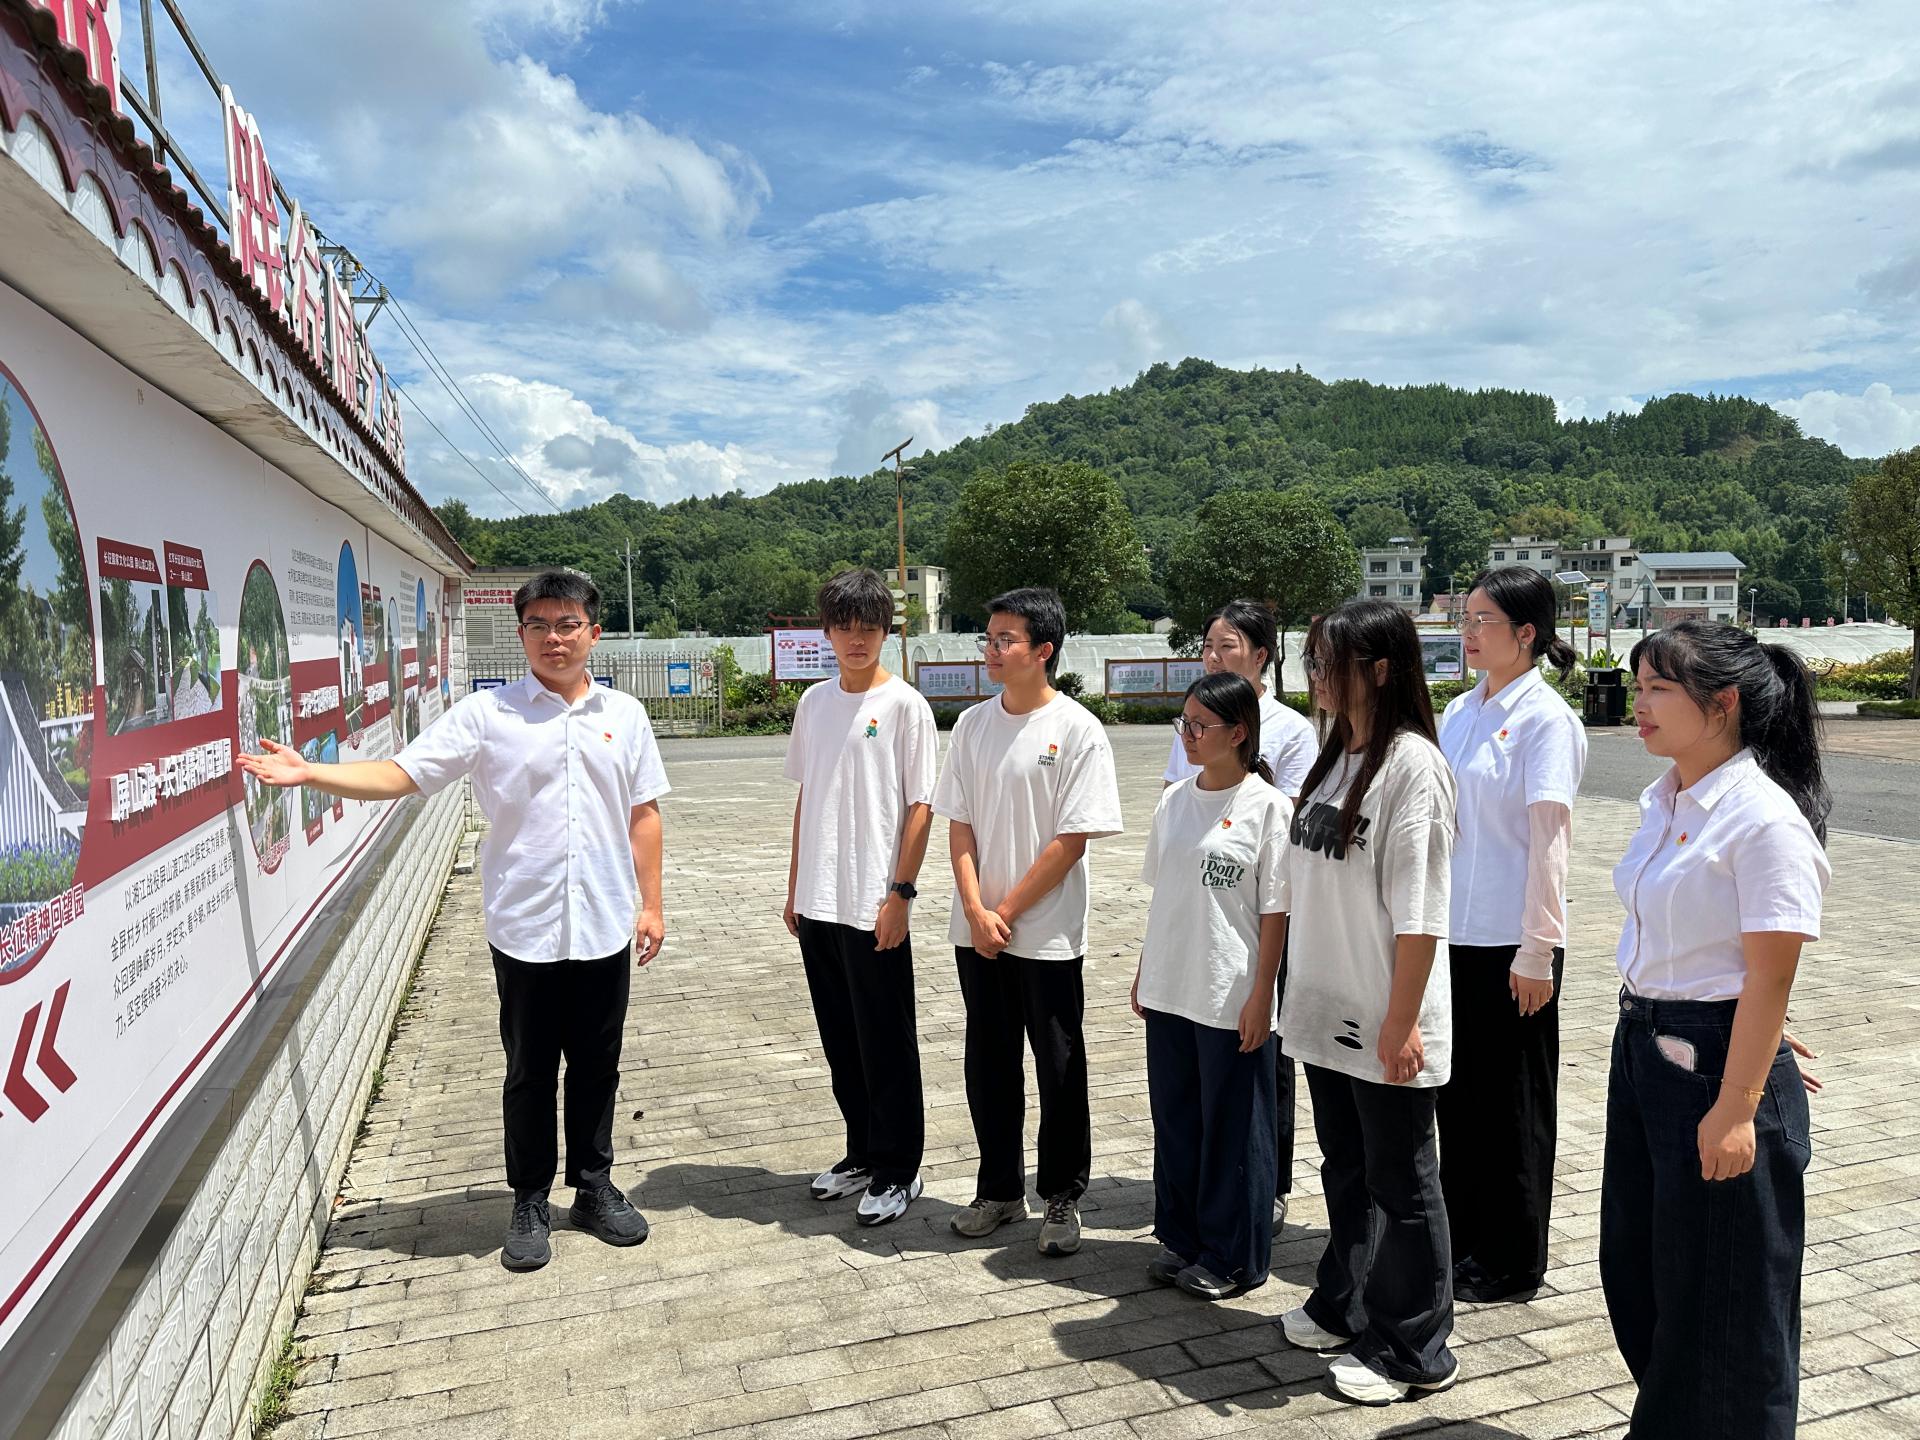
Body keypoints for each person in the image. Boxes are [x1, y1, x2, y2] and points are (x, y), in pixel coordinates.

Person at [239, 571, 667, 1274]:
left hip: (603, 922)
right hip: (524, 927)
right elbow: (402, 774)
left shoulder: (625, 714)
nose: (554, 638)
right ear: (521, 633)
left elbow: (643, 813)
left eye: (568, 624)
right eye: (539, 625)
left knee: (598, 1065)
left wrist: (650, 905)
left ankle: (594, 1186)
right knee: (530, 1070)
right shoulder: (488, 714)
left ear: (594, 632)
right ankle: (530, 1198)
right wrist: (311, 773)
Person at [1600, 620, 1830, 1438]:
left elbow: (1771, 972)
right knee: (1640, 1271)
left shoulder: (1762, 819)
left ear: (1723, 702)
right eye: (1639, 686)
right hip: (1647, 1048)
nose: (1639, 704)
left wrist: (1738, 1099)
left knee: (1727, 1302)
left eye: (1659, 688)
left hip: (1710, 1071)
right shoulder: (1666, 801)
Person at [1272, 598, 1460, 1407]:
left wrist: (1403, 1021)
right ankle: (1345, 1300)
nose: (1316, 675)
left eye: (1329, 662)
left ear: (1380, 670)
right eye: (1311, 660)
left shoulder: (1412, 767)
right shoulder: (1335, 758)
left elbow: (1421, 914)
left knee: (1402, 1181)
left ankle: (1415, 1346)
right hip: (1325, 1009)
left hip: (1386, 1015)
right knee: (1347, 1167)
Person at [933, 587, 1124, 1256]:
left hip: (1046, 935)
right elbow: (958, 826)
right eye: (988, 638)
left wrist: (1005, 912)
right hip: (978, 934)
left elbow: (1071, 841)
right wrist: (974, 911)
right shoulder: (972, 726)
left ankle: (1062, 1197)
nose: (991, 649)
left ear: (1043, 650)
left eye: (1004, 639)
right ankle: (998, 1190)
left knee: (1058, 1066)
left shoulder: (1076, 729)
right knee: (989, 1064)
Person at [1434, 567, 1587, 1304]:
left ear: (1526, 633)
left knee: (1513, 1107)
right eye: (1464, 619)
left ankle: (1513, 1259)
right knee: (1459, 1101)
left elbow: (1549, 843)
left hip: (1512, 942)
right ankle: (1463, 1239)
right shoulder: (1460, 711)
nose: (1468, 632)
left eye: (1482, 620)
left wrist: (1538, 948)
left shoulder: (1546, 720)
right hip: (1452, 937)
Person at [783, 568, 938, 1226]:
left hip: (874, 902)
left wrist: (900, 894)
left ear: (886, 632)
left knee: (886, 1039)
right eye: (844, 627)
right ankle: (863, 1153)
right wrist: (795, 885)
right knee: (841, 1037)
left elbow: (921, 807)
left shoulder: (905, 706)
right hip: (818, 901)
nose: (856, 639)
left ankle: (900, 1169)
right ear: (827, 632)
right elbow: (806, 793)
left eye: (869, 628)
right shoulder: (814, 703)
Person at [1131, 672, 1291, 1300]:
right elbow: (1165, 896)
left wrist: (1262, 993)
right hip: (1172, 984)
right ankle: (1182, 1238)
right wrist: (1145, 969)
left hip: (1231, 991)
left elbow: (1275, 912)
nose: (1189, 735)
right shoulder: (1175, 801)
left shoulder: (1268, 808)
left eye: (1201, 725)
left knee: (1234, 1128)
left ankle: (1233, 1257)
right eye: (1185, 723)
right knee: (1176, 1120)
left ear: (1239, 733)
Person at [1161, 600, 1318, 1231]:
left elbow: (1288, 822)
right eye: (1207, 646)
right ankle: (1206, 1196)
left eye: (1227, 646)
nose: (1214, 656)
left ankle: (1265, 1182)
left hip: (1258, 902)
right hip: (1198, 912)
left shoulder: (1290, 729)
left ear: (1261, 655)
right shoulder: (1195, 719)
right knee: (1195, 1076)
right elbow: (1178, 801)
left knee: (1262, 1053)